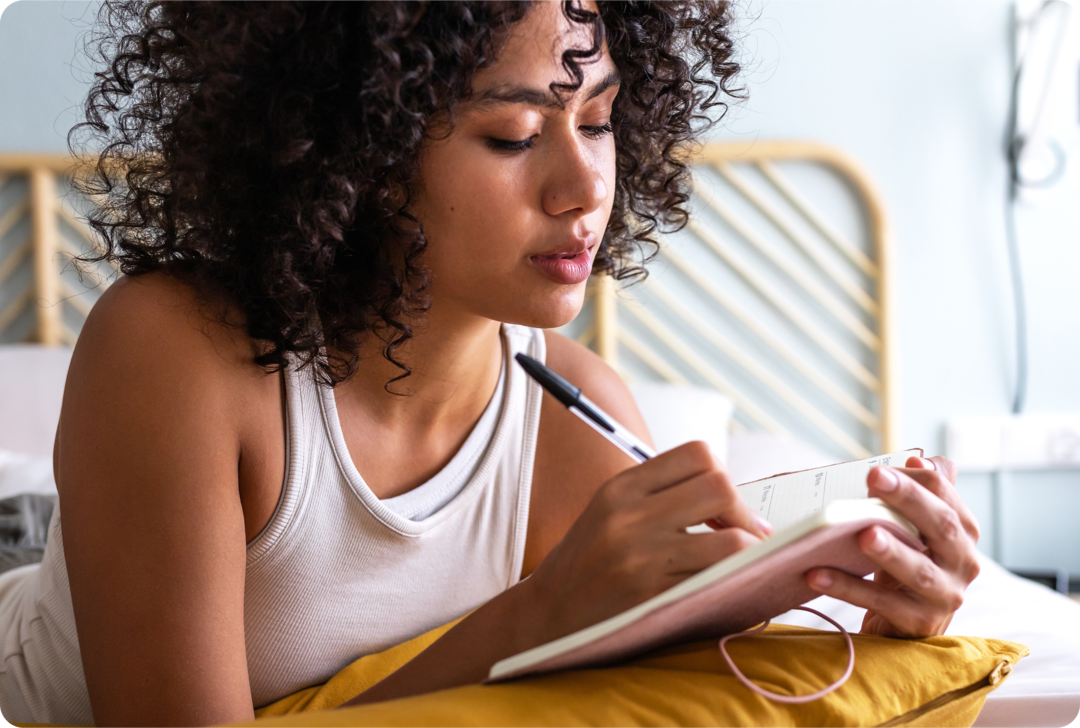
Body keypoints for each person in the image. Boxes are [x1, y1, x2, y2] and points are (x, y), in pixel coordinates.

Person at [0, 0, 982, 725]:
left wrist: (868, 598)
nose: (582, 186)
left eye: (597, 120)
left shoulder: (581, 414)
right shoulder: (175, 355)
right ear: (365, 154)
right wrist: (542, 612)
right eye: (513, 134)